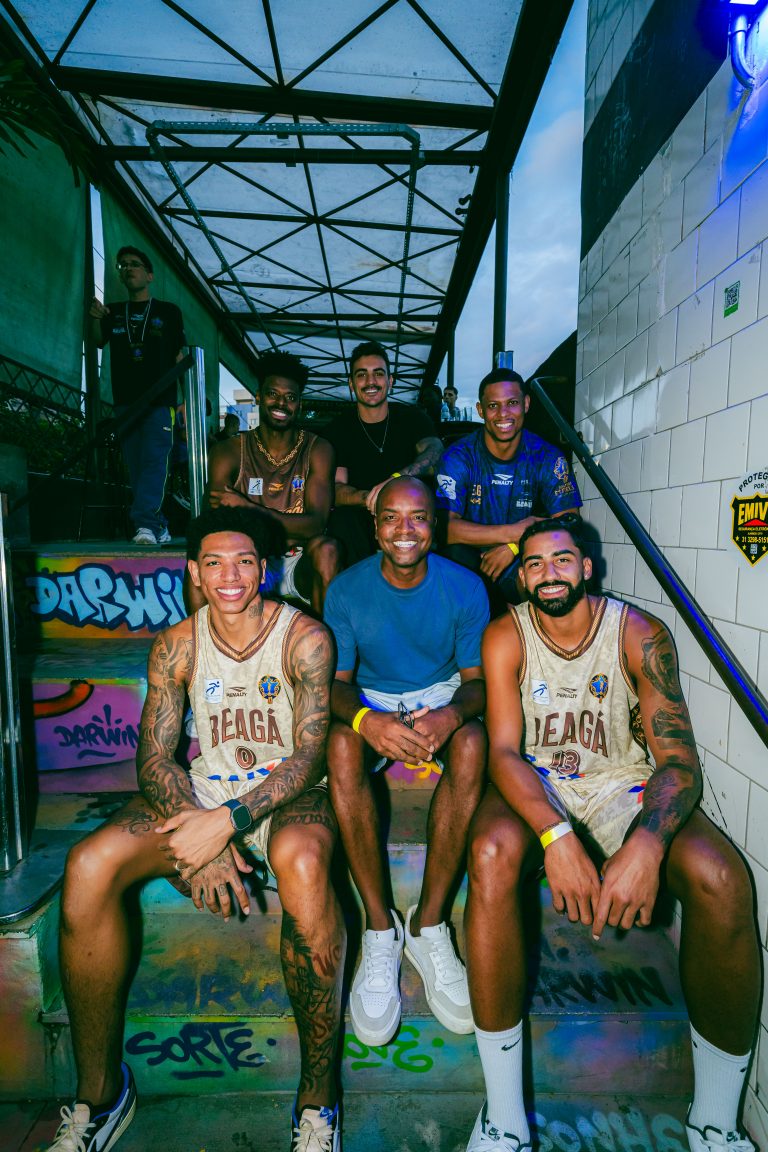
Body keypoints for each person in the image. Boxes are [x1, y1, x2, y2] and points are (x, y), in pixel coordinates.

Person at [45, 506, 345, 1152]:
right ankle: (99, 1095)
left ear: (264, 570)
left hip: (286, 793)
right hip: (205, 789)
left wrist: (229, 823)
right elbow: (154, 757)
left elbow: (310, 757)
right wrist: (200, 841)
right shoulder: (177, 643)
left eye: (243, 562)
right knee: (89, 865)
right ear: (194, 573)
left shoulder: (305, 638)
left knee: (305, 865)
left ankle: (318, 1102)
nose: (229, 576)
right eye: (214, 563)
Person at [464, 517, 760, 1152]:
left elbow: (677, 761)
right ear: (523, 577)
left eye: (561, 560)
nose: (548, 573)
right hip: (538, 782)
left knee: (721, 878)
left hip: (619, 783)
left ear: (587, 567)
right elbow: (504, 753)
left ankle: (715, 1122)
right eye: (534, 564)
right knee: (489, 853)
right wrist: (556, 837)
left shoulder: (638, 633)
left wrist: (647, 844)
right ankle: (503, 1119)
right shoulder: (506, 634)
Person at [324, 477, 488, 1047]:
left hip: (440, 692)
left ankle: (429, 923)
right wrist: (368, 721)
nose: (404, 530)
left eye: (417, 517)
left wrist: (451, 716)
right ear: (375, 528)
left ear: (434, 526)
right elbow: (334, 686)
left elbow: (477, 683)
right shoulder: (346, 589)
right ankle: (379, 927)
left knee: (473, 743)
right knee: (341, 744)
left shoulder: (465, 587)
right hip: (373, 696)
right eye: (391, 517)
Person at [194, 350, 340, 615]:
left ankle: (325, 640)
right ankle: (202, 639)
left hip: (297, 562)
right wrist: (287, 528)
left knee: (327, 549)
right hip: (246, 561)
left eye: (290, 397)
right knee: (199, 559)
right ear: (259, 396)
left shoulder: (318, 449)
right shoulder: (228, 451)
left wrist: (247, 508)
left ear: (299, 404)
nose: (281, 403)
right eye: (273, 394)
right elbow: (212, 526)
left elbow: (316, 525)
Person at [435, 368, 581, 606]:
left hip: (520, 555)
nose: (503, 413)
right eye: (493, 405)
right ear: (480, 410)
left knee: (554, 562)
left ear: (526, 404)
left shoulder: (546, 455)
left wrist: (513, 546)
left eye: (512, 403)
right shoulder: (459, 456)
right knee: (452, 558)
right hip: (470, 558)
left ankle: (536, 626)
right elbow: (445, 529)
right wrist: (516, 532)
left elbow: (570, 522)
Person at [89, 245, 186, 546]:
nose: (128, 268)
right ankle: (158, 523)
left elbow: (180, 356)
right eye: (122, 265)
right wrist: (94, 317)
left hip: (161, 402)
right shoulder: (113, 312)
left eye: (134, 264)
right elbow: (97, 340)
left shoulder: (168, 311)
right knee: (136, 466)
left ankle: (144, 523)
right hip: (126, 402)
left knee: (155, 461)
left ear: (149, 275)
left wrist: (186, 400)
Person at [324, 341, 443, 566]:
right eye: (361, 375)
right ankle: (360, 585)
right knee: (342, 518)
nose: (370, 382)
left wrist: (396, 481)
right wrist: (373, 499)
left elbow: (434, 452)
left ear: (390, 381)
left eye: (378, 374)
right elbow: (337, 489)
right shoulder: (338, 428)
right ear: (351, 384)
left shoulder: (412, 418)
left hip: (409, 514)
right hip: (363, 518)